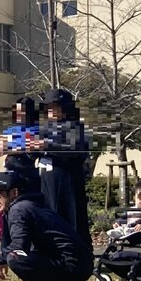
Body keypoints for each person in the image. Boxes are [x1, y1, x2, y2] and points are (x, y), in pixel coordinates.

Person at [0, 167, 93, 281]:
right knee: (21, 255)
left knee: (15, 258)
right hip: (81, 262)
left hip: (73, 265)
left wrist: (2, 258)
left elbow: (19, 246)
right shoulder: (31, 205)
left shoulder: (18, 210)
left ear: (14, 193)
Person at [29, 89, 89, 235]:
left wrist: (46, 145)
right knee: (50, 214)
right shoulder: (44, 128)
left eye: (54, 107)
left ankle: (75, 248)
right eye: (48, 108)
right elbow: (33, 153)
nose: (50, 111)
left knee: (70, 215)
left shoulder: (75, 126)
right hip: (47, 179)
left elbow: (75, 151)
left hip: (67, 179)